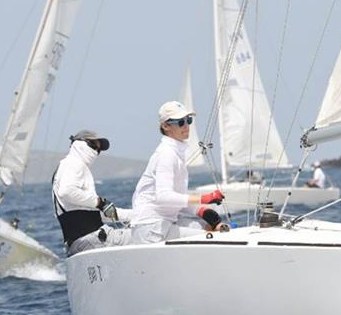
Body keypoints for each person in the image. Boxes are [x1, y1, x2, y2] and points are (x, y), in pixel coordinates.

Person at [130, 101, 226, 244]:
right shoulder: (166, 154)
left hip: (164, 223)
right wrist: (203, 199)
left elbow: (176, 199)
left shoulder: (176, 153)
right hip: (151, 227)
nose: (186, 126)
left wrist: (201, 211)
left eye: (188, 120)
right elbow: (164, 197)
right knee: (210, 237)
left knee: (211, 227)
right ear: (165, 126)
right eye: (180, 122)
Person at [52, 130, 132, 256]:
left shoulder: (65, 167)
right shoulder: (74, 163)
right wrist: (99, 202)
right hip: (93, 238)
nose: (96, 152)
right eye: (94, 146)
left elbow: (91, 215)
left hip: (78, 243)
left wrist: (133, 215)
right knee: (149, 234)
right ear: (79, 143)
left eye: (99, 150)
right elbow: (66, 191)